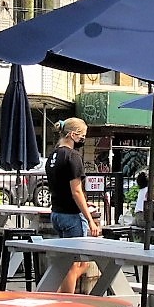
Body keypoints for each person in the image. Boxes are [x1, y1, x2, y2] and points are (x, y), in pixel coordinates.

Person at [44, 116, 101, 292]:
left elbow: (63, 188)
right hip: (71, 215)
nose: (83, 140)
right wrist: (90, 219)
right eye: (82, 136)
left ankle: (61, 293)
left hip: (57, 213)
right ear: (73, 134)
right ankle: (65, 301)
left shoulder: (52, 156)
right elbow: (76, 191)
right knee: (73, 265)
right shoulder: (73, 157)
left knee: (78, 263)